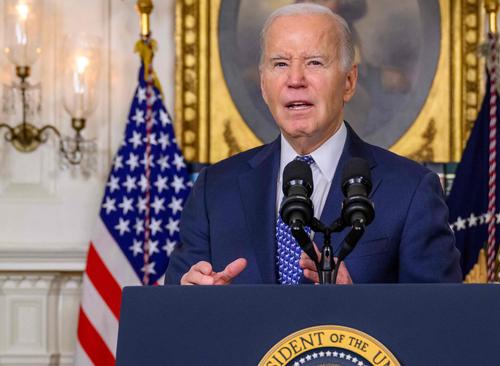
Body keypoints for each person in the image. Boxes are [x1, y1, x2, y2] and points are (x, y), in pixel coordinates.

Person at [165, 3, 461, 285]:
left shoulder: (411, 191)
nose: (295, 79)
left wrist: (358, 303)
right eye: (280, 63)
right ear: (263, 84)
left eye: (315, 62)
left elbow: (441, 322)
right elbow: (174, 317)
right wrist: (196, 303)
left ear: (349, 81)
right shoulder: (213, 191)